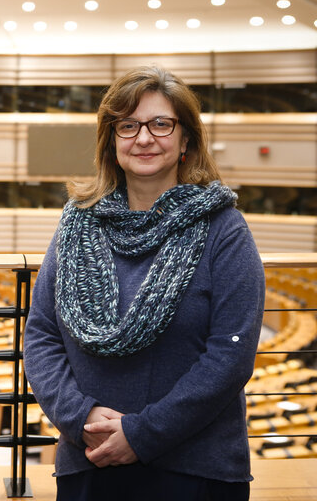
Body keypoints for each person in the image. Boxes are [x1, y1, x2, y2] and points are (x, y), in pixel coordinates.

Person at [23, 65, 265, 500]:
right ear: (111, 141)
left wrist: (141, 433)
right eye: (128, 125)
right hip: (90, 455)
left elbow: (231, 354)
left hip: (195, 468)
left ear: (186, 139)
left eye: (161, 124)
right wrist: (83, 418)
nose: (144, 137)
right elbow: (41, 334)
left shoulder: (223, 229)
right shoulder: (77, 226)